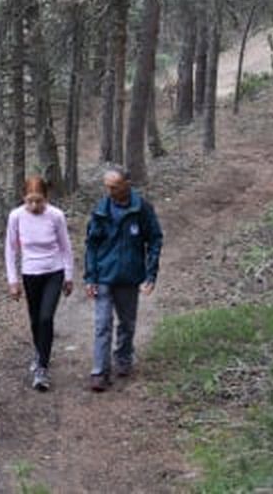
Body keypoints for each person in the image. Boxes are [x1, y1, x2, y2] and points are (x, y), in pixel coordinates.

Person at [84, 166, 163, 392]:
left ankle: (124, 357)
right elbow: (91, 245)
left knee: (127, 323)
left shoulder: (142, 209)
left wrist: (151, 274)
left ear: (127, 183)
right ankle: (99, 371)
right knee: (102, 324)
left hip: (129, 276)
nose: (110, 191)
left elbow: (155, 240)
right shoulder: (100, 210)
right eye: (107, 187)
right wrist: (90, 277)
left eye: (114, 186)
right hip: (103, 275)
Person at [5, 176, 74, 391]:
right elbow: (10, 249)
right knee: (35, 320)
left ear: (47, 197)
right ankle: (39, 351)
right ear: (23, 198)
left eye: (39, 201)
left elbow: (65, 246)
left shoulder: (56, 216)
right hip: (30, 273)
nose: (35, 206)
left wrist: (69, 276)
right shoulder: (16, 216)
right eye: (30, 201)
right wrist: (13, 280)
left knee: (46, 318)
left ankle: (42, 368)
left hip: (54, 271)